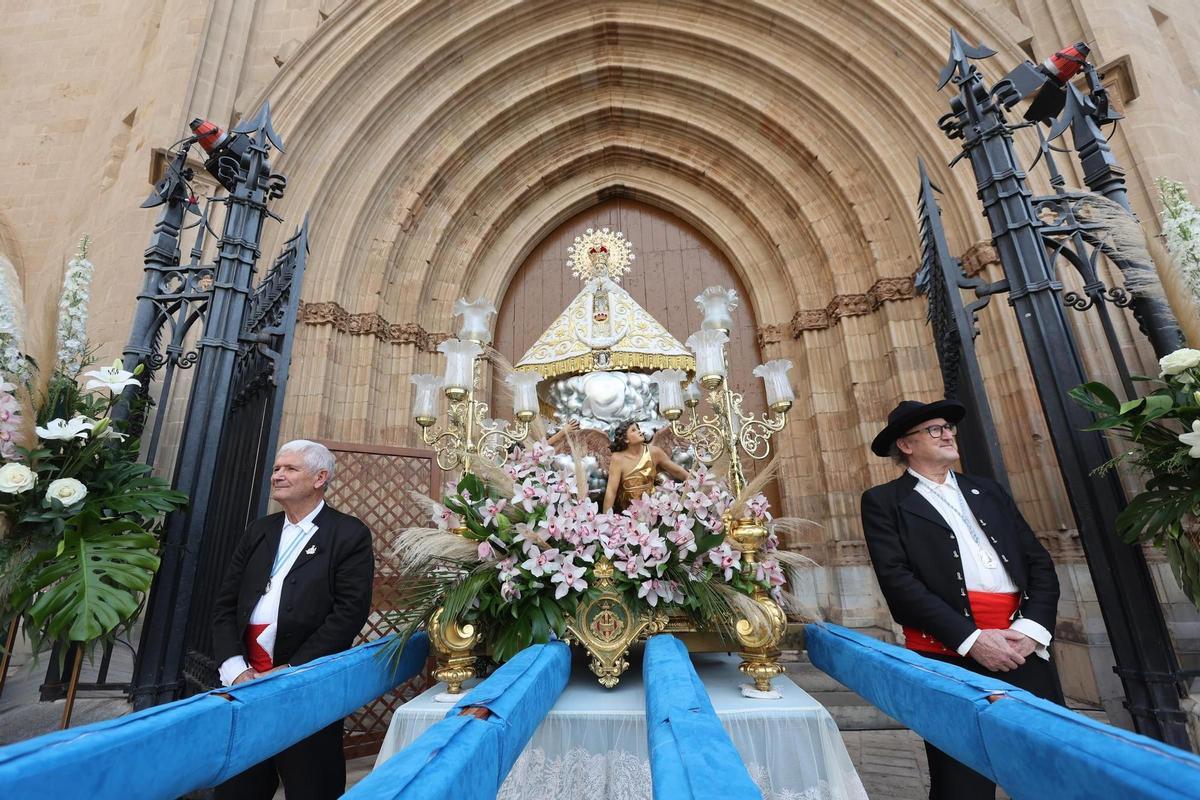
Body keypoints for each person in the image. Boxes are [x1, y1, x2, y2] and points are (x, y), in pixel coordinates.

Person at [860, 399, 1062, 800]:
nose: (948, 432)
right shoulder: (883, 501)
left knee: (1050, 766)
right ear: (906, 444)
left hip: (1021, 646)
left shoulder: (988, 490)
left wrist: (1030, 631)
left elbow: (1039, 564)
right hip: (948, 653)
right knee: (961, 780)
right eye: (934, 429)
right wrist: (972, 639)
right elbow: (899, 583)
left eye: (947, 426)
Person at [211, 439, 374, 800]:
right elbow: (225, 606)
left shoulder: (348, 534)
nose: (277, 476)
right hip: (245, 686)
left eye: (289, 469)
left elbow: (349, 612)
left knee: (310, 786)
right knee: (239, 788)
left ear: (319, 478)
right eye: (276, 468)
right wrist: (235, 667)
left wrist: (291, 669)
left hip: (305, 688)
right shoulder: (259, 531)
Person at [602, 420, 688, 512]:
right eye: (633, 430)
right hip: (628, 514)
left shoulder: (654, 452)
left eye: (638, 428)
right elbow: (611, 491)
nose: (639, 431)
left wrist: (697, 486)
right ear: (626, 439)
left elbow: (679, 472)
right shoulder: (618, 459)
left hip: (653, 510)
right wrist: (607, 519)